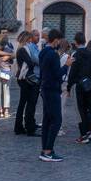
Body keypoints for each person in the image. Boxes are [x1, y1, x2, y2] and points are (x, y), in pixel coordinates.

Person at [38, 29, 66, 162]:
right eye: (59, 40)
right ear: (55, 40)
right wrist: (66, 66)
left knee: (47, 120)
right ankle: (48, 150)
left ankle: (45, 150)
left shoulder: (43, 52)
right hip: (52, 89)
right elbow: (57, 73)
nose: (60, 43)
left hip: (44, 87)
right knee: (56, 120)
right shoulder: (53, 55)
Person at [67, 34, 91, 144]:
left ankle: (84, 134)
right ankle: (90, 131)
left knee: (80, 111)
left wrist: (68, 86)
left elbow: (72, 72)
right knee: (89, 108)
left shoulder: (76, 54)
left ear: (76, 42)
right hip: (89, 85)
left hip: (78, 85)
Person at [0, 30, 14, 120]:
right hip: (6, 70)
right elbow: (13, 57)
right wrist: (10, 55)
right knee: (6, 91)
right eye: (3, 32)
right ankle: (6, 111)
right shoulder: (10, 47)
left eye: (5, 32)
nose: (4, 33)